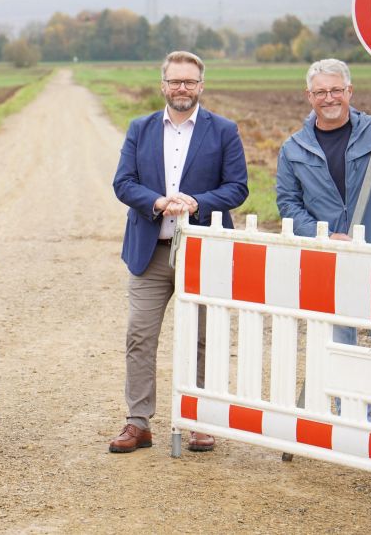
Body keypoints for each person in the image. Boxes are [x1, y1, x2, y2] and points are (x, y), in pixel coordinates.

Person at [110, 51, 248, 454]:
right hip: (150, 250)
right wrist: (155, 202)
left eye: (189, 82)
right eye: (174, 81)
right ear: (163, 85)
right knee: (139, 335)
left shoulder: (223, 130)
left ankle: (201, 420)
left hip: (202, 252)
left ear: (201, 86)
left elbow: (237, 187)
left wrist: (195, 203)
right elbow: (123, 182)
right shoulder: (141, 128)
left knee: (202, 338)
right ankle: (138, 422)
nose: (181, 88)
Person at [276, 58, 371, 430]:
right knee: (338, 353)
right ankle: (349, 427)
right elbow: (288, 206)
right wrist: (322, 235)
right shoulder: (294, 148)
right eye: (321, 92)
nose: (330, 98)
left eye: (336, 90)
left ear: (349, 91)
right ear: (309, 96)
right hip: (330, 265)